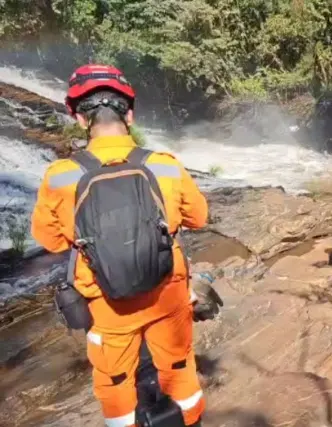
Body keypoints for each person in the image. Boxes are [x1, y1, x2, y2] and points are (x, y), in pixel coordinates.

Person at [31, 64, 208, 427]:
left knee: (114, 383)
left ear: (80, 119)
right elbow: (198, 218)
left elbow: (49, 240)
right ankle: (191, 420)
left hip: (106, 300)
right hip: (167, 292)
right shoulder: (165, 165)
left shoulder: (61, 175)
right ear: (130, 115)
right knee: (178, 367)